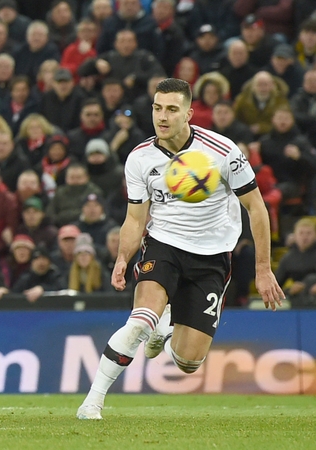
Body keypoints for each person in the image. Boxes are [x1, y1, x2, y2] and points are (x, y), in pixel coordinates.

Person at [77, 78, 285, 420]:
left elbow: (257, 209)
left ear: (188, 113)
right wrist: (121, 258)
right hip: (164, 245)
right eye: (158, 108)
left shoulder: (222, 152)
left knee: (189, 362)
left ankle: (168, 326)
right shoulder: (140, 159)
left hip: (213, 257)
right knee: (140, 319)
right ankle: (92, 402)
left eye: (171, 109)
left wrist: (263, 269)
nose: (162, 116)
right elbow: (134, 217)